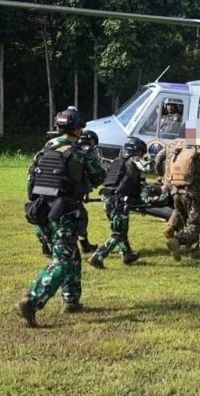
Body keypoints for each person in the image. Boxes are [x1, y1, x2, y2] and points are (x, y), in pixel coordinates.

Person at [17, 106, 106, 327]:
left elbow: (31, 179)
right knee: (63, 261)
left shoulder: (45, 150)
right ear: (77, 129)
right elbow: (99, 176)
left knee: (72, 255)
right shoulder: (80, 152)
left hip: (42, 211)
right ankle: (32, 301)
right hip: (65, 211)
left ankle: (71, 300)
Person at [87, 137, 155, 269]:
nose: (142, 155)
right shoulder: (133, 159)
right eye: (142, 152)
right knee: (118, 233)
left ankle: (127, 255)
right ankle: (98, 257)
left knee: (120, 229)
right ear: (136, 151)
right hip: (119, 199)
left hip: (107, 197)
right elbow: (149, 168)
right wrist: (151, 158)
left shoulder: (117, 161)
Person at [161, 142, 200, 261]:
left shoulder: (179, 151)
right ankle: (177, 241)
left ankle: (194, 252)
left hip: (176, 192)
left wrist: (166, 187)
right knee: (195, 224)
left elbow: (167, 170)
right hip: (192, 194)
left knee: (185, 219)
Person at [76, 129, 101, 253]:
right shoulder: (86, 150)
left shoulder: (70, 146)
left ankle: (46, 245)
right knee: (81, 217)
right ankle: (84, 245)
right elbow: (93, 173)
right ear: (91, 140)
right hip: (72, 192)